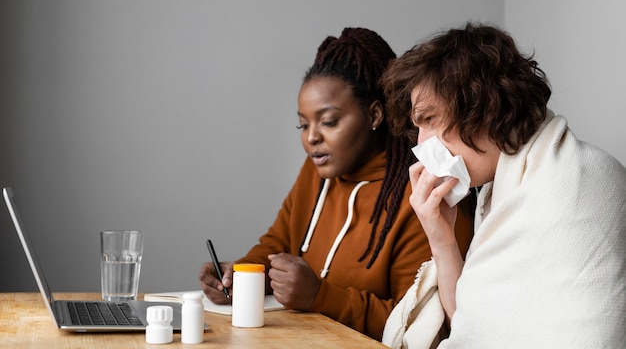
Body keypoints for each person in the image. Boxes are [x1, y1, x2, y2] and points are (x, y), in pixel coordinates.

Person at [199, 27, 475, 341]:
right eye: (303, 125)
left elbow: (420, 324)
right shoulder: (316, 172)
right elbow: (278, 244)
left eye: (328, 121)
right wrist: (243, 276)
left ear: (374, 114)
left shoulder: (424, 194)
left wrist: (320, 296)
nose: (311, 137)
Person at [380, 22, 626, 348]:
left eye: (430, 119)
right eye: (418, 126)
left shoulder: (577, 183)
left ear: (482, 107)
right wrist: (440, 236)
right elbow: (469, 326)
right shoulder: (506, 185)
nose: (422, 144)